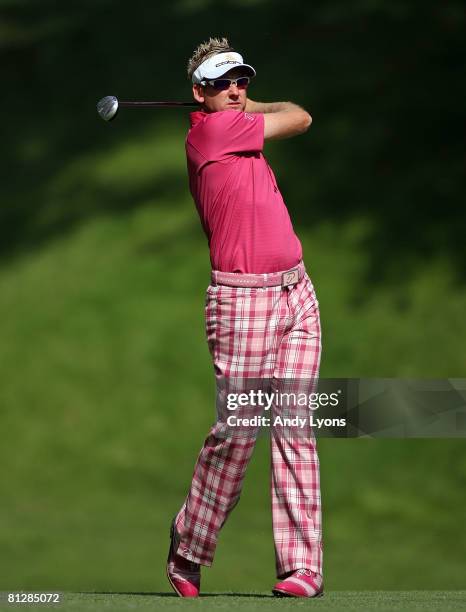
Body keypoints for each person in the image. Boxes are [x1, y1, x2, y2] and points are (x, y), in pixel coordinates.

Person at [166, 37, 323, 598]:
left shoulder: (232, 122)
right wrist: (250, 110)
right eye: (220, 82)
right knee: (239, 430)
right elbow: (301, 118)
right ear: (197, 93)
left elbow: (290, 117)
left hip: (296, 291)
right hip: (242, 301)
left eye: (241, 80)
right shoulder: (213, 132)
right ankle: (189, 540)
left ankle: (302, 567)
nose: (234, 90)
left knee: (296, 425)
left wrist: (244, 104)